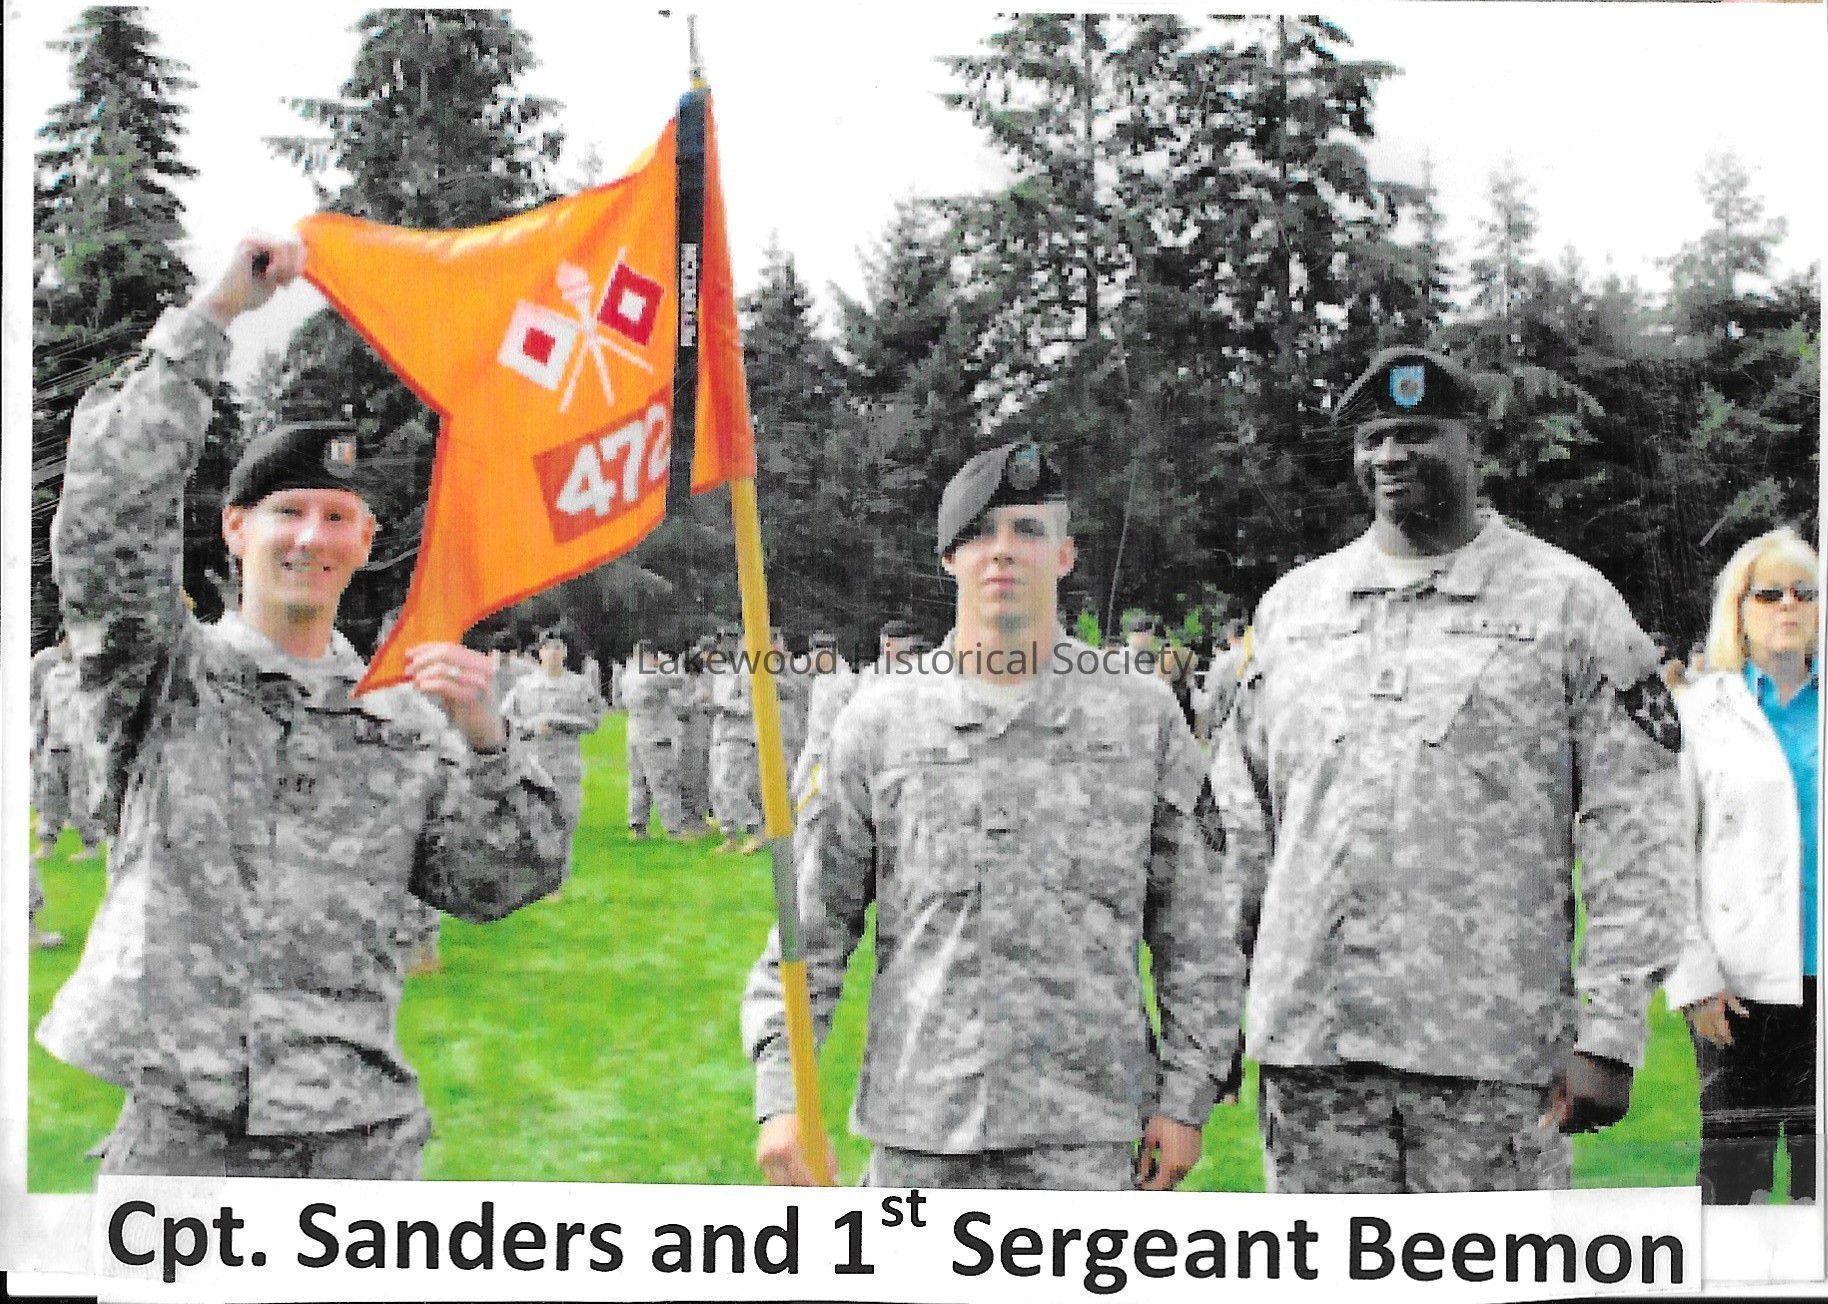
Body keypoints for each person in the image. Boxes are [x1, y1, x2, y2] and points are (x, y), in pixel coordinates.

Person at [36, 233, 568, 1179]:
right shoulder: (166, 677)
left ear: (364, 542)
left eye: (336, 517)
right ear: (237, 528)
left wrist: (488, 744)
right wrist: (212, 320)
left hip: (358, 1136)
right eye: (287, 511)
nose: (310, 538)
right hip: (185, 1134)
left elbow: (496, 884)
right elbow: (107, 519)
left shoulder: (402, 720)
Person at [1207, 346, 1686, 1194]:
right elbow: (1240, 830)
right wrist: (1213, 1023)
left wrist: (1610, 1032)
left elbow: (1634, 828)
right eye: (1374, 440)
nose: (1390, 457)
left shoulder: (1567, 605)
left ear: (1473, 447)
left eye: (1418, 435)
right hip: (1314, 1055)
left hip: (1487, 1058)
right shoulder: (1294, 609)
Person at [744, 441, 1229, 1191]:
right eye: (978, 534)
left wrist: (1187, 1097)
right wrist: (782, 1098)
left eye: (1027, 531)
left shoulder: (1140, 715)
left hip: (1095, 1138)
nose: (1002, 552)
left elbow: (1195, 924)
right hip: (922, 1134)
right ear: (948, 560)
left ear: (1065, 555)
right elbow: (813, 926)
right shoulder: (880, 720)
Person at [1665, 527, 1820, 1204]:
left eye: (1804, 592)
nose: (1788, 605)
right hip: (1738, 992)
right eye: (1769, 593)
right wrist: (1693, 980)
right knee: (1733, 1188)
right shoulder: (1700, 715)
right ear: (1739, 610)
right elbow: (1665, 857)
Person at [502, 628, 606, 883]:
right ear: (540, 653)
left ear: (565, 653)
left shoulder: (579, 686)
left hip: (565, 765)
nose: (553, 653)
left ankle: (558, 878)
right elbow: (505, 719)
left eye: (558, 648)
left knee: (565, 818)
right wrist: (530, 726)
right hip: (533, 764)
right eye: (548, 648)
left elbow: (594, 721)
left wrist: (561, 721)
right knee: (534, 821)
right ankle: (537, 878)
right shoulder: (524, 686)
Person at [623, 640, 690, 839]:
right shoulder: (650, 675)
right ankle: (673, 829)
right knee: (665, 783)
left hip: (635, 734)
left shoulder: (628, 675)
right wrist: (666, 663)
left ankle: (638, 826)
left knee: (638, 783)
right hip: (655, 735)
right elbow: (679, 680)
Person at [709, 625, 765, 855]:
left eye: (730, 640)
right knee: (716, 788)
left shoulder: (747, 670)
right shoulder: (721, 670)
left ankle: (754, 829)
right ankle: (729, 834)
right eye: (721, 640)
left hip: (739, 735)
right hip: (721, 734)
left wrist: (724, 706)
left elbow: (749, 706)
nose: (724, 645)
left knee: (729, 785)